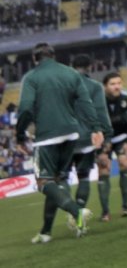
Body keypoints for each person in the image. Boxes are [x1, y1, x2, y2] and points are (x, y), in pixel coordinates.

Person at [16, 42, 104, 243]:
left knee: (43, 182)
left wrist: (20, 135)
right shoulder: (71, 73)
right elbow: (86, 102)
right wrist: (96, 128)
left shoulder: (32, 77)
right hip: (71, 134)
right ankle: (46, 232)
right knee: (56, 182)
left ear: (35, 58)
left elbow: (26, 108)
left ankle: (77, 211)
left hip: (47, 136)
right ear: (53, 55)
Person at [68, 54, 112, 214]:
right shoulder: (95, 86)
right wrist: (107, 135)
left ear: (71, 67)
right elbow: (101, 112)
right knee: (84, 177)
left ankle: (68, 210)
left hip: (65, 138)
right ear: (90, 67)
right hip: (87, 139)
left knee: (62, 178)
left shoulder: (62, 85)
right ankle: (78, 215)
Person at [97, 71, 127, 221]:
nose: (117, 86)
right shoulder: (98, 101)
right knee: (103, 169)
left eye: (119, 83)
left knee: (124, 163)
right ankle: (105, 212)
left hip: (122, 137)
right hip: (104, 139)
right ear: (105, 86)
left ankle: (126, 207)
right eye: (112, 84)